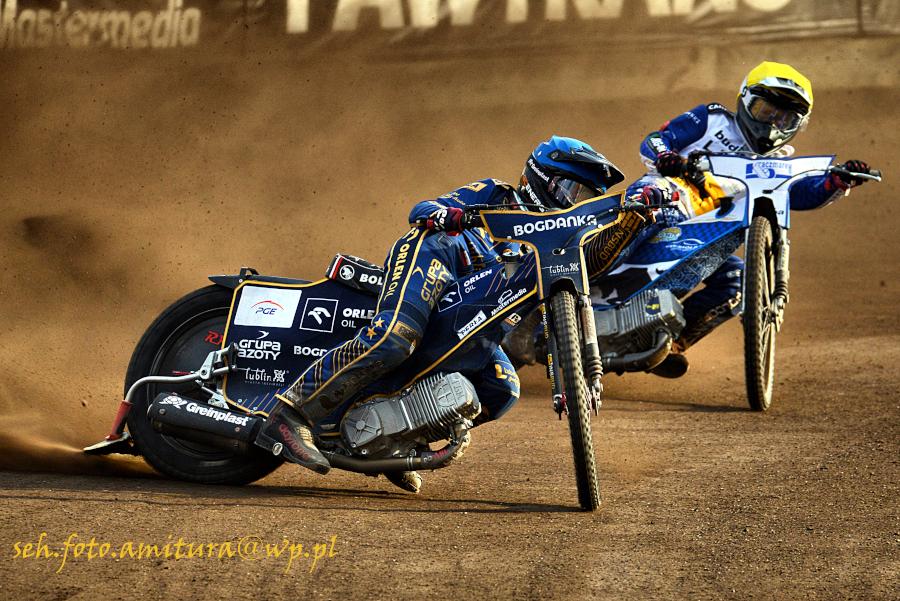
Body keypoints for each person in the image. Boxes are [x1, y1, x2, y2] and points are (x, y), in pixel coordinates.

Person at [255, 136, 625, 492]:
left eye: (583, 197)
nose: (573, 202)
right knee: (395, 338)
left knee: (503, 388)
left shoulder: (541, 251)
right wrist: (451, 215)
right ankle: (290, 415)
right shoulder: (496, 193)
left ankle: (395, 444)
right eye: (571, 190)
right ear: (538, 178)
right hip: (433, 256)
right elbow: (422, 210)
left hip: (465, 309)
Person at [625, 61, 871, 378]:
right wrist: (665, 157)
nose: (772, 123)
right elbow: (656, 139)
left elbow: (801, 194)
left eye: (784, 118)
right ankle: (587, 268)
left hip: (704, 239)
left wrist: (836, 182)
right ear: (744, 100)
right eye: (766, 110)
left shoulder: (779, 164)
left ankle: (665, 345)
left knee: (739, 280)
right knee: (647, 203)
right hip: (665, 198)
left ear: (798, 125)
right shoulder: (711, 119)